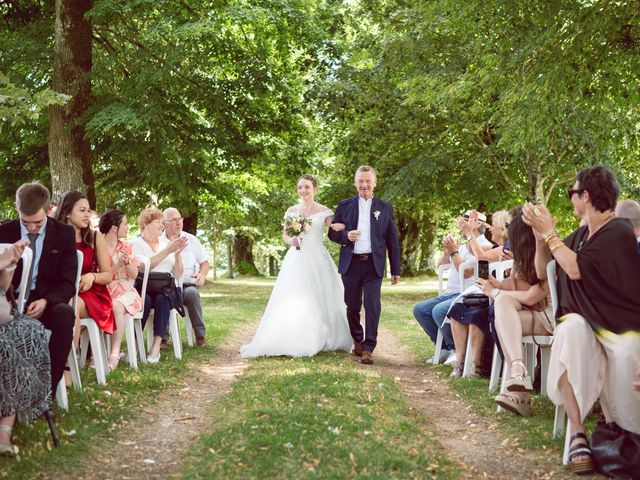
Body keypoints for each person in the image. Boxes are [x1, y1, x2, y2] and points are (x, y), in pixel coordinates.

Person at [523, 166, 640, 475]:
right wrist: (539, 239)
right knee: (570, 329)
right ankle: (577, 433)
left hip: (621, 327)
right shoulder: (579, 236)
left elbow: (575, 269)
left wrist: (550, 233)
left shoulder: (619, 230)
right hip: (587, 324)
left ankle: (624, 431)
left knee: (627, 350)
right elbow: (542, 272)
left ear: (585, 196)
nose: (571, 199)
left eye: (571, 193)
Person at [240, 174, 353, 358]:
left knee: (321, 295)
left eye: (307, 187)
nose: (303, 191)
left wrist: (340, 227)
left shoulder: (325, 211)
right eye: (300, 187)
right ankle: (295, 335)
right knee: (294, 295)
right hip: (297, 257)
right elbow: (285, 235)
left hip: (318, 258)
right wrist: (291, 240)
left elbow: (334, 227)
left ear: (315, 189)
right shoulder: (292, 210)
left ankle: (325, 335)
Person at [0, 182, 76, 397]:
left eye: (37, 223)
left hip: (45, 298)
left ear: (48, 209)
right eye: (26, 222)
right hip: (9, 299)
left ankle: (46, 392)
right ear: (17, 208)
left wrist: (46, 301)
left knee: (65, 315)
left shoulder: (64, 233)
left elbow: (68, 281)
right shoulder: (4, 232)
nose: (31, 228)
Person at [477, 206, 553, 414]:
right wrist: (496, 285)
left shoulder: (545, 249)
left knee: (500, 306)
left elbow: (532, 296)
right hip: (535, 315)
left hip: (552, 318)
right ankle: (518, 373)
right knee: (502, 307)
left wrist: (495, 293)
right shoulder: (521, 256)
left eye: (509, 225)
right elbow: (516, 291)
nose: (506, 230)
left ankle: (519, 388)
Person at [328, 166, 401, 365]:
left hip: (373, 264)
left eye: (368, 181)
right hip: (351, 264)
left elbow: (392, 241)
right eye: (360, 181)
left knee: (372, 305)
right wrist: (345, 236)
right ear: (355, 183)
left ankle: (368, 347)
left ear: (375, 183)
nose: (364, 185)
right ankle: (357, 339)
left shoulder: (385, 208)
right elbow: (332, 233)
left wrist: (395, 269)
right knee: (352, 306)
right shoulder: (345, 205)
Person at [413, 210, 492, 366]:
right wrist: (447, 252)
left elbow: (467, 273)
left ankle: (455, 350)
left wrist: (454, 252)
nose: (460, 227)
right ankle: (442, 347)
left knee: (439, 311)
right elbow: (441, 266)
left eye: (462, 223)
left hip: (466, 294)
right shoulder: (463, 246)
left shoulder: (485, 246)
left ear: (474, 224)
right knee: (420, 309)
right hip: (450, 293)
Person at [0, 241, 52, 457]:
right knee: (6, 348)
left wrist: (10, 264)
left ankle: (9, 424)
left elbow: (3, 288)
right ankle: (4, 428)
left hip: (4, 316)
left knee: (32, 333)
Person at [55, 192, 115, 348]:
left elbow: (108, 275)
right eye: (82, 210)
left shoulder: (95, 237)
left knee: (69, 306)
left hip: (92, 294)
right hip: (61, 291)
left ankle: (68, 368)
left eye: (88, 210)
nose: (87, 214)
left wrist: (92, 276)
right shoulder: (54, 237)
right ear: (67, 212)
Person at [130, 207, 187, 362]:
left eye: (163, 223)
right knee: (145, 301)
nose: (162, 226)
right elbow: (143, 266)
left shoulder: (167, 243)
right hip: (144, 289)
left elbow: (178, 273)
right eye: (158, 222)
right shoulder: (134, 244)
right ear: (145, 223)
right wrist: (167, 251)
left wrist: (177, 255)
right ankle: (134, 344)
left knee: (163, 299)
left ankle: (156, 345)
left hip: (167, 289)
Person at [99, 210, 142, 370]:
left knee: (116, 305)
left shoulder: (127, 246)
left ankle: (114, 353)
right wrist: (117, 265)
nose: (127, 226)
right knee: (97, 304)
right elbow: (102, 275)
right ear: (114, 228)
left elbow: (135, 274)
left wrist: (127, 263)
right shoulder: (97, 245)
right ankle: (95, 353)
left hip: (126, 290)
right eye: (124, 223)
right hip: (104, 288)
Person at [162, 208, 209, 347]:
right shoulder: (159, 242)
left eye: (180, 219)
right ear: (164, 223)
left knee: (193, 294)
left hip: (187, 285)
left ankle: (200, 336)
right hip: (167, 286)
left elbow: (205, 262)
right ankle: (162, 338)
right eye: (173, 220)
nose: (178, 223)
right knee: (163, 297)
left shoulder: (191, 239)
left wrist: (202, 274)